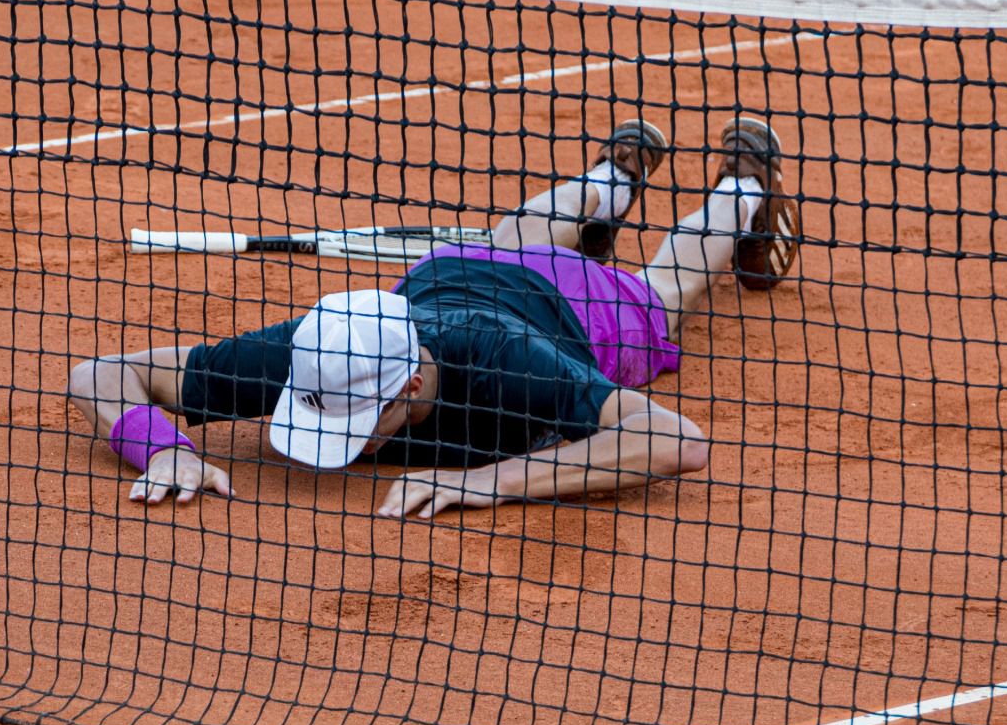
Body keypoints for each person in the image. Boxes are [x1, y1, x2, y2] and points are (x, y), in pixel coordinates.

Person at [67, 116, 800, 519]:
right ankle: (611, 178)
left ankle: (740, 191)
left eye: (357, 414)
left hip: (579, 315)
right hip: (450, 275)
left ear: (410, 383)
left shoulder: (509, 366)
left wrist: (491, 482)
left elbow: (677, 443)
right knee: (509, 237)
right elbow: (100, 373)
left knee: (663, 288)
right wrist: (163, 448)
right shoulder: (309, 350)